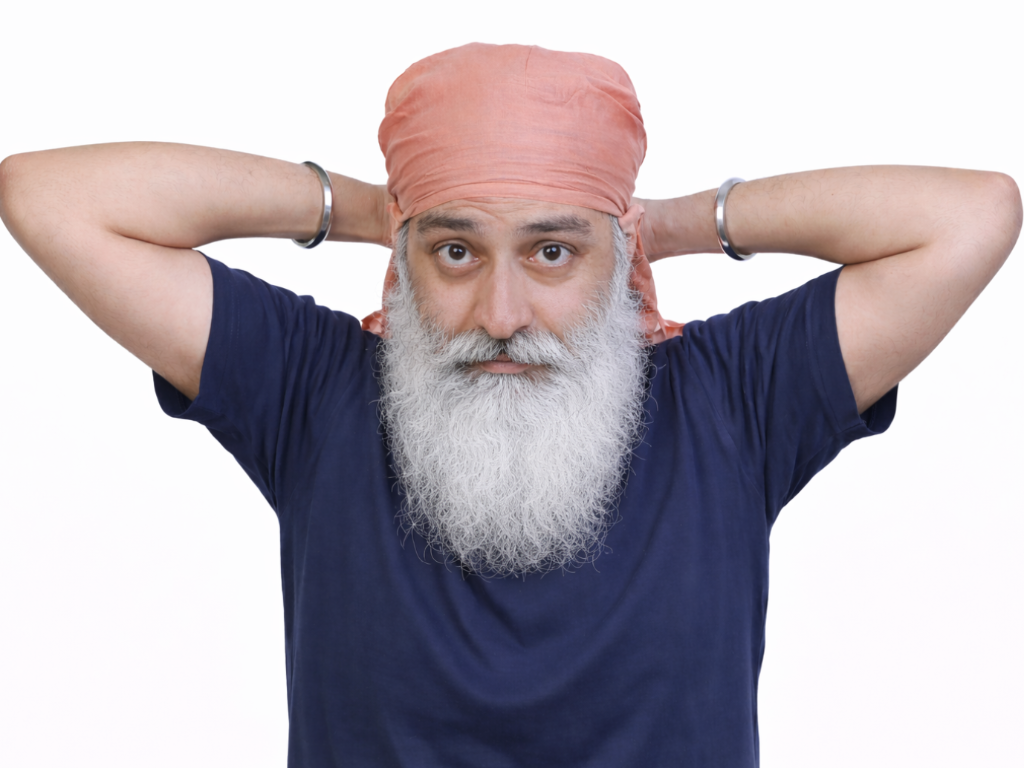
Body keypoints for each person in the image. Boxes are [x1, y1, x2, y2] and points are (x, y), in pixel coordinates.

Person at [0, 42, 1019, 767]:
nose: (499, 311)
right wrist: (372, 207)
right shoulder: (315, 394)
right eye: (453, 251)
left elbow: (971, 215)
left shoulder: (731, 402)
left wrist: (660, 222)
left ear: (617, 263)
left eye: (553, 251)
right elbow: (50, 197)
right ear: (403, 262)